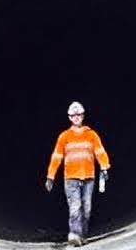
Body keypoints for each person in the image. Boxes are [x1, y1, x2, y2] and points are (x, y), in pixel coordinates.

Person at [45, 101, 110, 246]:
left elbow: (100, 151)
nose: (76, 117)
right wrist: (50, 176)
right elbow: (57, 157)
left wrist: (104, 167)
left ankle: (82, 235)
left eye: (78, 115)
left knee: (86, 207)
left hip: (89, 176)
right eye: (73, 115)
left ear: (83, 116)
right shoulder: (64, 137)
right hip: (71, 177)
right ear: (69, 117)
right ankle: (74, 234)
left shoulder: (91, 134)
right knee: (75, 206)